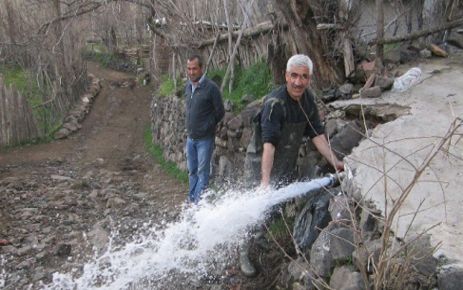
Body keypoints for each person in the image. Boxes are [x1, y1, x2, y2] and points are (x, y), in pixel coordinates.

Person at [240, 54, 344, 276]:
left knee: (275, 207)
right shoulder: (275, 103)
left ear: (309, 79)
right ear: (286, 76)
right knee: (257, 207)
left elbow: (316, 134)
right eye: (294, 76)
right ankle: (244, 251)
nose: (298, 82)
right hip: (261, 162)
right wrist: (265, 183)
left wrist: (335, 162)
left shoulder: (307, 101)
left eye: (304, 77)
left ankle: (260, 237)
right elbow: (268, 145)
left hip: (285, 162)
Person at [185, 54, 225, 204]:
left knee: (203, 173)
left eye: (194, 69)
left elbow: (220, 111)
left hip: (204, 139)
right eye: (189, 69)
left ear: (201, 68)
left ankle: (197, 205)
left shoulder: (211, 88)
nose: (191, 72)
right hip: (191, 138)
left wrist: (207, 126)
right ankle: (192, 199)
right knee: (192, 172)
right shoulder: (188, 87)